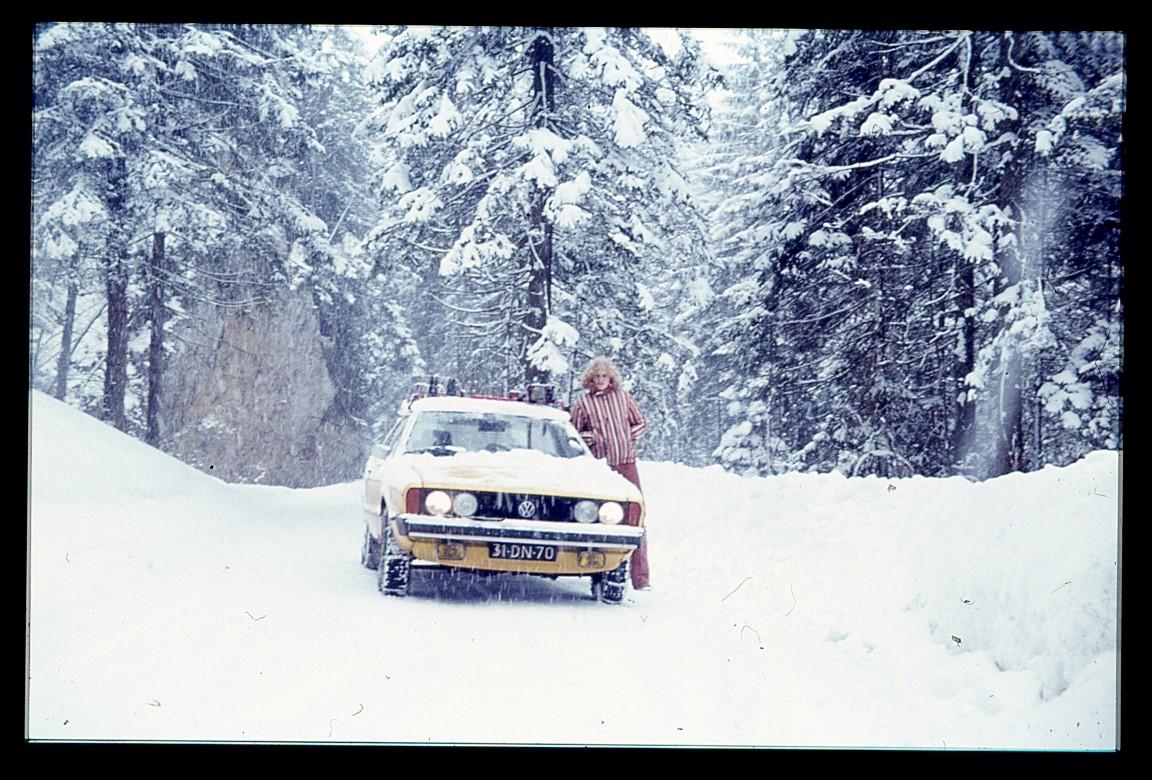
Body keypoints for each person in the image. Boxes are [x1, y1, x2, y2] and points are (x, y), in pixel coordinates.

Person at [569, 356, 651, 591]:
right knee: (602, 517)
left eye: (605, 376)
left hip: (626, 462)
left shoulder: (624, 398)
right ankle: (598, 571)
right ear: (590, 379)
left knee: (636, 517)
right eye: (597, 376)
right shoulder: (583, 403)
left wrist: (627, 436)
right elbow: (574, 434)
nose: (601, 380)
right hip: (600, 466)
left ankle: (641, 578)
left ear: (611, 378)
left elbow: (641, 423)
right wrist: (592, 438)